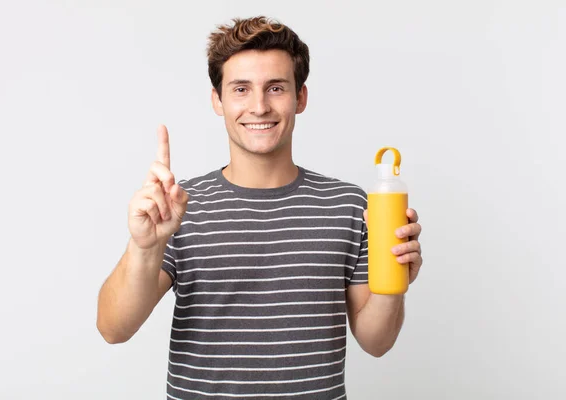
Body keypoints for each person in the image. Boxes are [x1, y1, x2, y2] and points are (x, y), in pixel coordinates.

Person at [96, 16, 423, 399]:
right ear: (217, 100)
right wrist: (144, 246)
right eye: (240, 89)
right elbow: (113, 328)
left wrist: (393, 284)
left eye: (276, 88)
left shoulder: (348, 206)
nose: (259, 106)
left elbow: (376, 342)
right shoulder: (178, 206)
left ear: (300, 97)